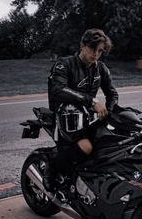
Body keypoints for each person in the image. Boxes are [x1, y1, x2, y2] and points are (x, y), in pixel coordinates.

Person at [44, 28, 119, 191]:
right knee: (86, 147)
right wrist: (92, 101)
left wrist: (109, 112)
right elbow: (58, 89)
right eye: (93, 48)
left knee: (111, 144)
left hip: (88, 118)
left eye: (100, 50)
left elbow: (112, 93)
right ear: (83, 46)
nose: (96, 54)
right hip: (65, 118)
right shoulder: (64, 64)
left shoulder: (101, 68)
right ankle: (51, 170)